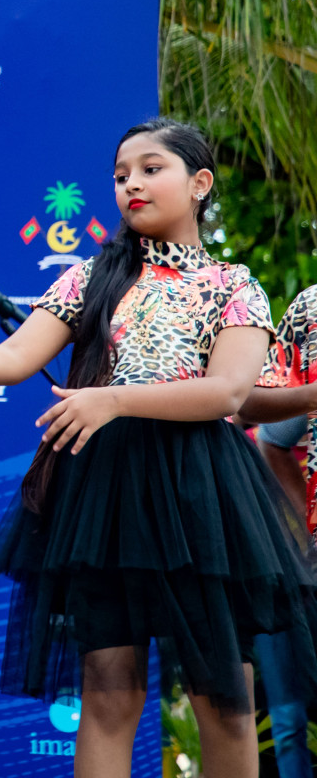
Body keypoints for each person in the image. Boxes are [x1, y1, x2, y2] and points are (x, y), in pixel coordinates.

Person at [0, 116, 317, 778]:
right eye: (121, 176)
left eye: (151, 169)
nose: (131, 185)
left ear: (200, 183)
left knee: (225, 702)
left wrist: (112, 398)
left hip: (203, 495)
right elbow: (11, 357)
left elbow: (231, 394)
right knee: (109, 696)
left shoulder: (234, 285)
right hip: (103, 499)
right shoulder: (88, 277)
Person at [236, 285, 317, 778]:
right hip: (277, 569)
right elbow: (265, 429)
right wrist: (302, 539)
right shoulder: (310, 309)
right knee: (286, 716)